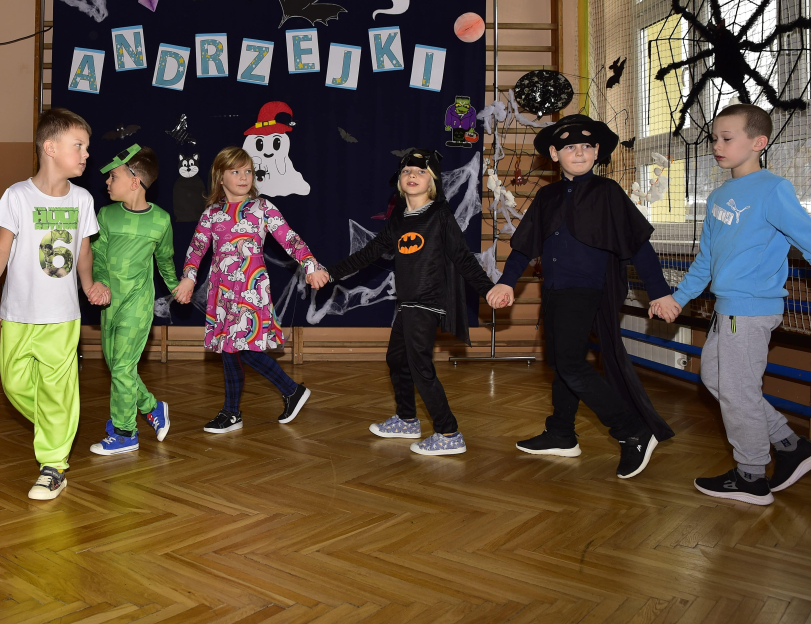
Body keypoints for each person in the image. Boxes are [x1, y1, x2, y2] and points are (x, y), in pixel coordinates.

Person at [487, 114, 674, 479]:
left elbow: (638, 245)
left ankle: (631, 430)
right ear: (555, 154)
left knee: (571, 363)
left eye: (586, 146)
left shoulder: (607, 192)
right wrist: (507, 282)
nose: (579, 152)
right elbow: (525, 247)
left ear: (597, 151)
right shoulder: (547, 196)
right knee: (562, 362)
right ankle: (561, 433)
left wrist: (660, 292)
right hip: (555, 290)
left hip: (589, 289)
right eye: (570, 146)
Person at [652, 104, 811, 505]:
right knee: (717, 380)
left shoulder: (773, 189)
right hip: (727, 309)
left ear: (758, 143)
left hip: (751, 309)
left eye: (727, 138)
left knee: (738, 392)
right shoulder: (720, 196)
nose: (717, 146)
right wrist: (678, 298)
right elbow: (706, 259)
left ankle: (751, 475)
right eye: (714, 139)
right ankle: (791, 445)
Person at [325, 149, 493, 456]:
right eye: (406, 172)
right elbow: (367, 254)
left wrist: (488, 290)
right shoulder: (398, 220)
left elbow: (463, 258)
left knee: (419, 366)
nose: (412, 175)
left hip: (428, 301)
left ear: (432, 182)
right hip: (407, 302)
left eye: (420, 171)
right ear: (399, 182)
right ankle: (406, 420)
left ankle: (448, 432)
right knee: (397, 359)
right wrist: (329, 273)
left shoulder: (440, 216)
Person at [0, 108, 101, 500]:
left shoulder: (82, 199)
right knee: (13, 383)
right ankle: (57, 423)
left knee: (58, 389)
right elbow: (0, 250)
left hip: (62, 317)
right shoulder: (17, 195)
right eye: (78, 145)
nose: (86, 154)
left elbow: (83, 252)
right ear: (50, 148)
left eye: (86, 147)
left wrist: (89, 284)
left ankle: (53, 464)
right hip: (17, 314)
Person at [173, 146, 329, 433]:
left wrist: (311, 266)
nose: (244, 177)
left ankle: (290, 390)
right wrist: (189, 278)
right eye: (235, 171)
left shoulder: (263, 208)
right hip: (222, 292)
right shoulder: (211, 214)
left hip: (251, 288)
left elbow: (291, 240)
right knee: (229, 349)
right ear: (220, 177)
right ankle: (233, 412)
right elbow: (196, 250)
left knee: (242, 348)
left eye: (247, 171)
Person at [88, 145, 178, 455]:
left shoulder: (161, 220)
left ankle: (126, 433)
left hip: (138, 304)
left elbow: (165, 260)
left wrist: (176, 287)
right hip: (109, 303)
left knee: (123, 367)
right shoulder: (106, 215)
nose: (107, 182)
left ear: (135, 181)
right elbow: (98, 255)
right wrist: (100, 282)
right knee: (117, 367)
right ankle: (152, 407)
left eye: (113, 177)